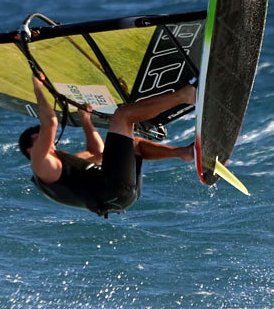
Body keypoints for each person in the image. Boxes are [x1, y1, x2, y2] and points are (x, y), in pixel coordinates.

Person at [19, 72, 195, 217]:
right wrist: (37, 88)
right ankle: (185, 95)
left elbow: (97, 153)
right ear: (29, 149)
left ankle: (185, 152)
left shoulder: (59, 165)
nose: (45, 138)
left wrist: (85, 119)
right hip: (113, 190)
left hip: (119, 196)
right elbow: (50, 122)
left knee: (134, 145)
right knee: (123, 116)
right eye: (39, 137)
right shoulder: (40, 162)